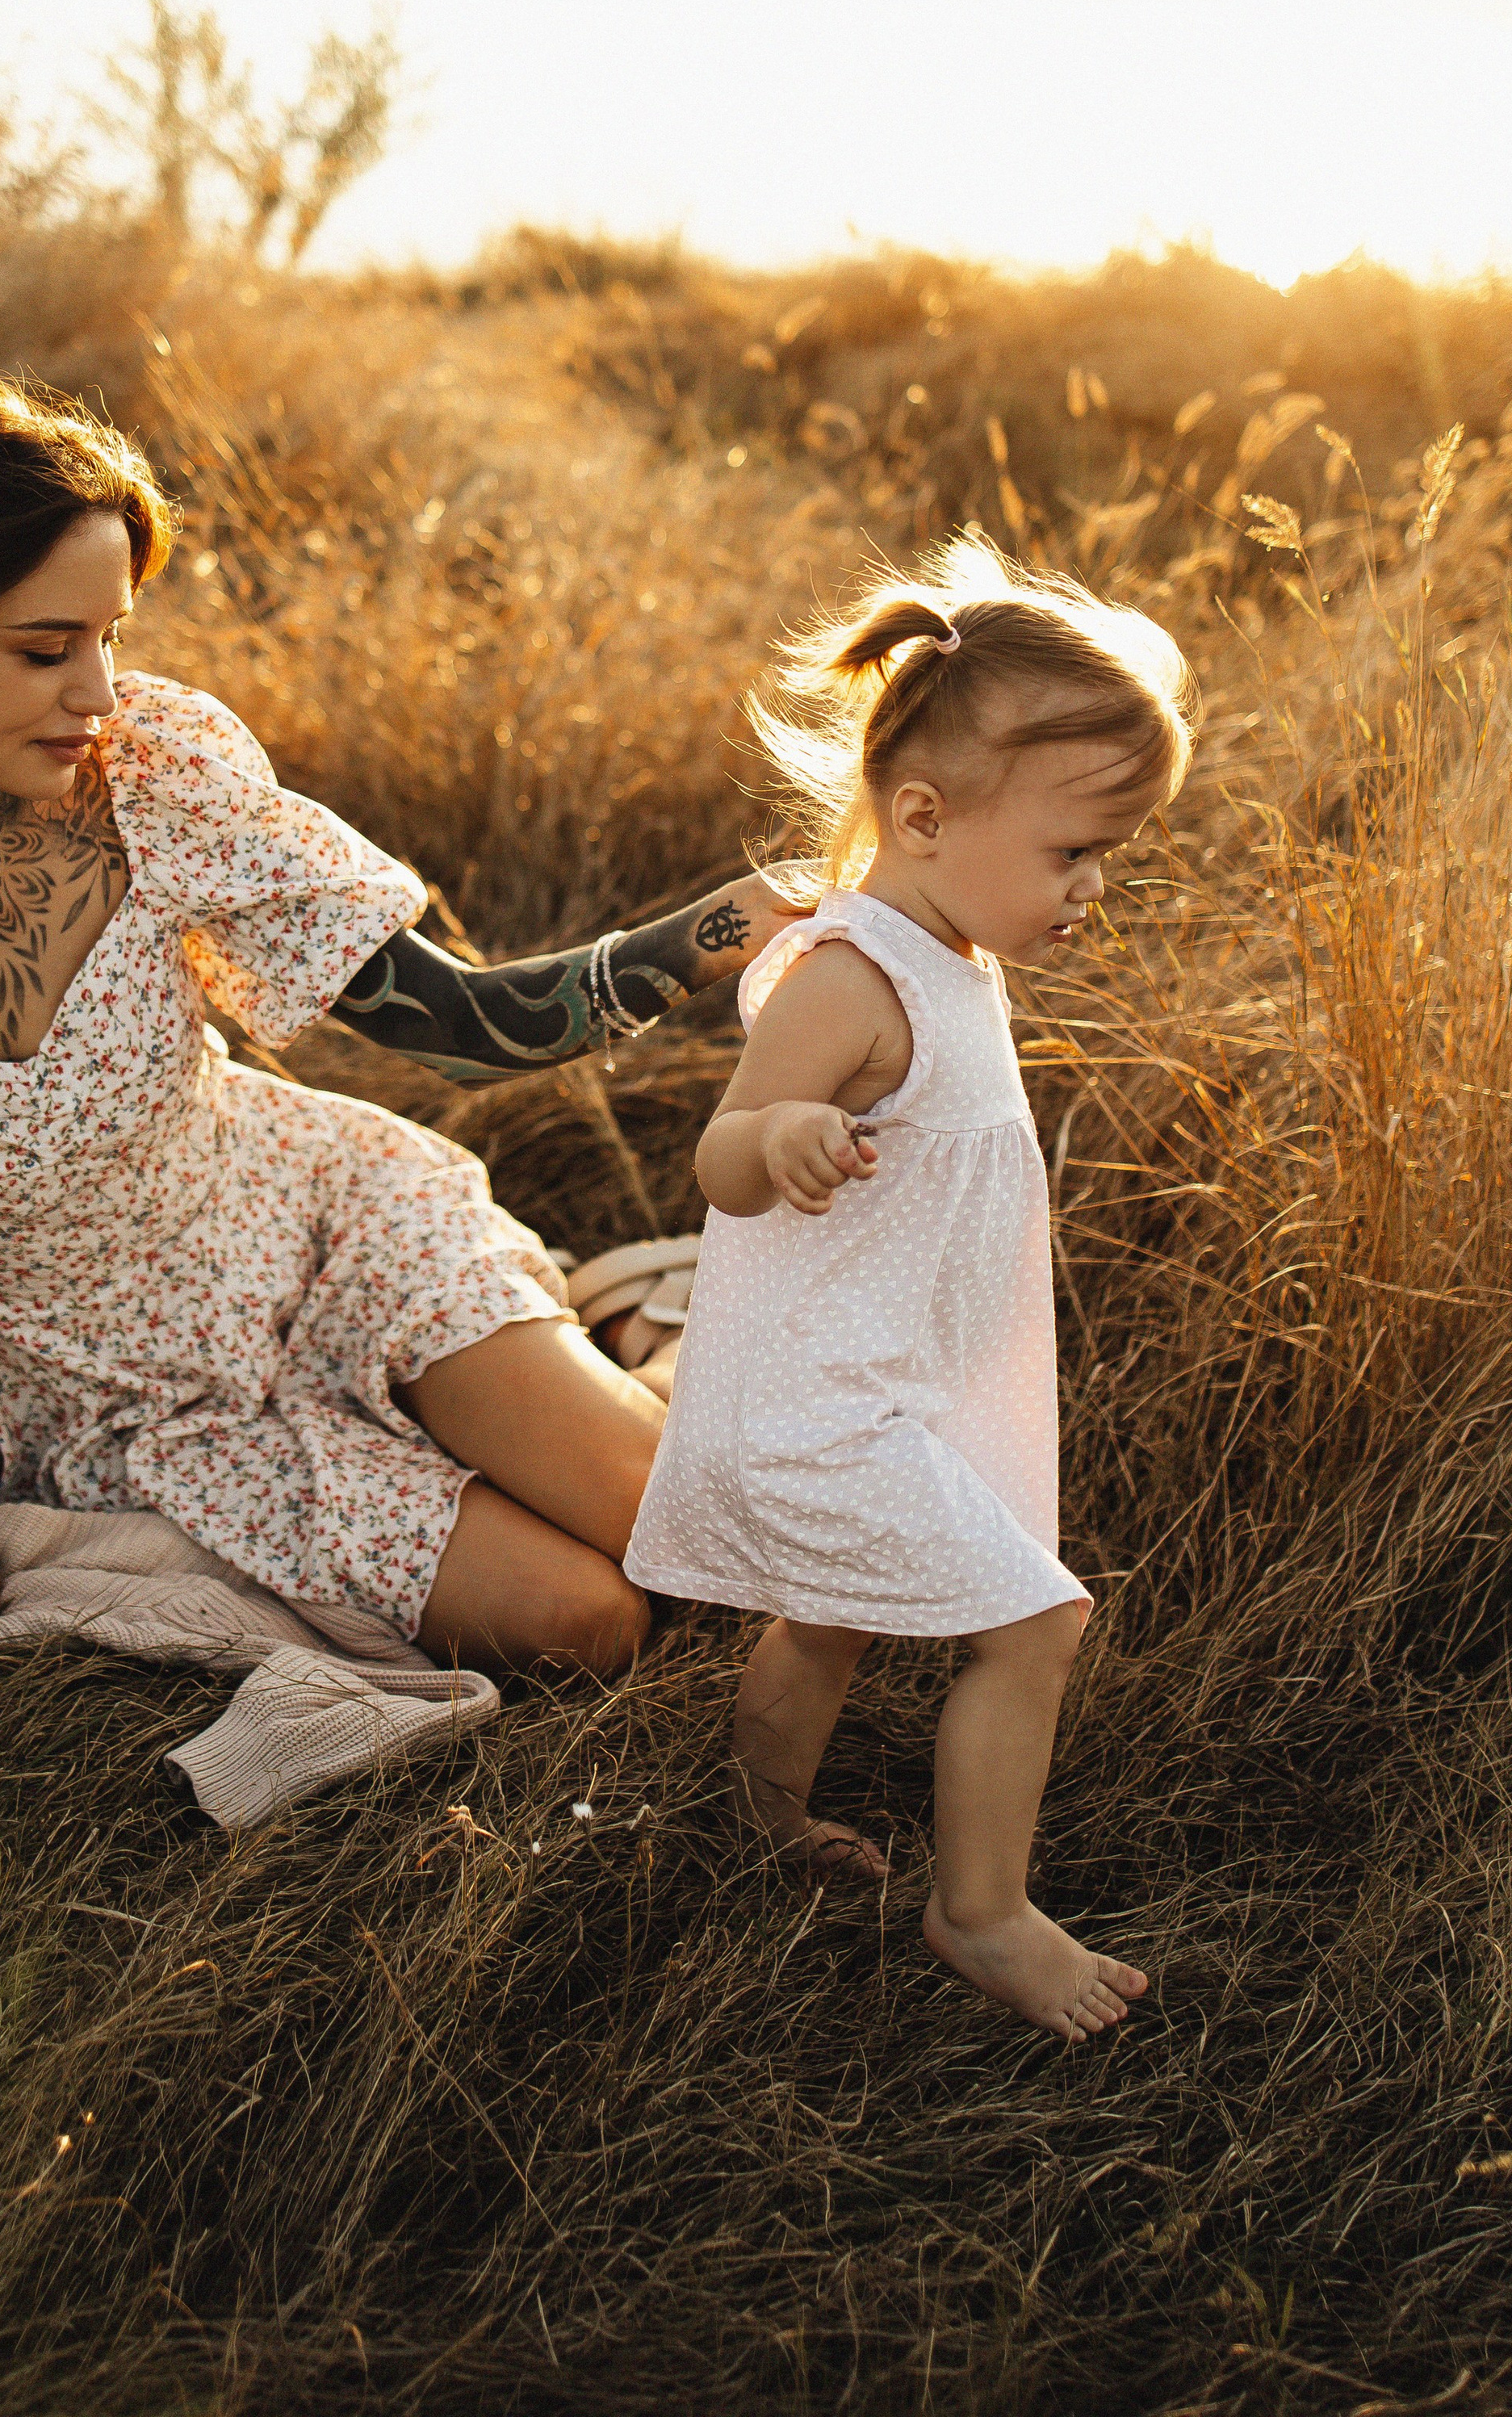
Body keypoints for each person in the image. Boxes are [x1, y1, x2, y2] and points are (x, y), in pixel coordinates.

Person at [0, 367, 793, 1668]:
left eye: (112, 635)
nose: (101, 693)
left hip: (320, 1227)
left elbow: (457, 1020)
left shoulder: (155, 773)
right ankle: (600, 1338)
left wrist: (718, 932)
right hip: (115, 1386)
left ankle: (621, 1331)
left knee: (684, 1529)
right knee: (593, 1625)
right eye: (44, 649)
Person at [625, 530, 1200, 2038]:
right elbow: (721, 1155)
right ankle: (982, 1912)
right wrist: (789, 1133)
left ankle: (750, 1828)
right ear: (929, 816)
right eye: (1075, 854)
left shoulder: (952, 944)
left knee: (828, 1621)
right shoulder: (851, 975)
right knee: (1036, 1623)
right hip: (817, 1402)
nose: (1093, 889)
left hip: (880, 1378)